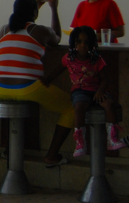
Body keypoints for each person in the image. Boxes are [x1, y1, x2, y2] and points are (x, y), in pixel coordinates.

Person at [0, 0, 73, 167]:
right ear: (35, 13)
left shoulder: (4, 29)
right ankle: (52, 155)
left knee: (15, 107)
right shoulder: (40, 31)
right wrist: (53, 9)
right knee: (71, 108)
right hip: (28, 88)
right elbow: (57, 39)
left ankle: (9, 150)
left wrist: (37, 6)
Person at [43, 26, 126, 155]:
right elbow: (58, 70)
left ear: (92, 43)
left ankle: (112, 139)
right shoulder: (69, 58)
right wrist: (47, 80)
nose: (82, 45)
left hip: (96, 91)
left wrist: (100, 91)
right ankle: (80, 142)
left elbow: (106, 79)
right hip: (79, 91)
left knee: (109, 105)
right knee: (79, 107)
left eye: (86, 42)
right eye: (79, 42)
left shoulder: (96, 59)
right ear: (73, 43)